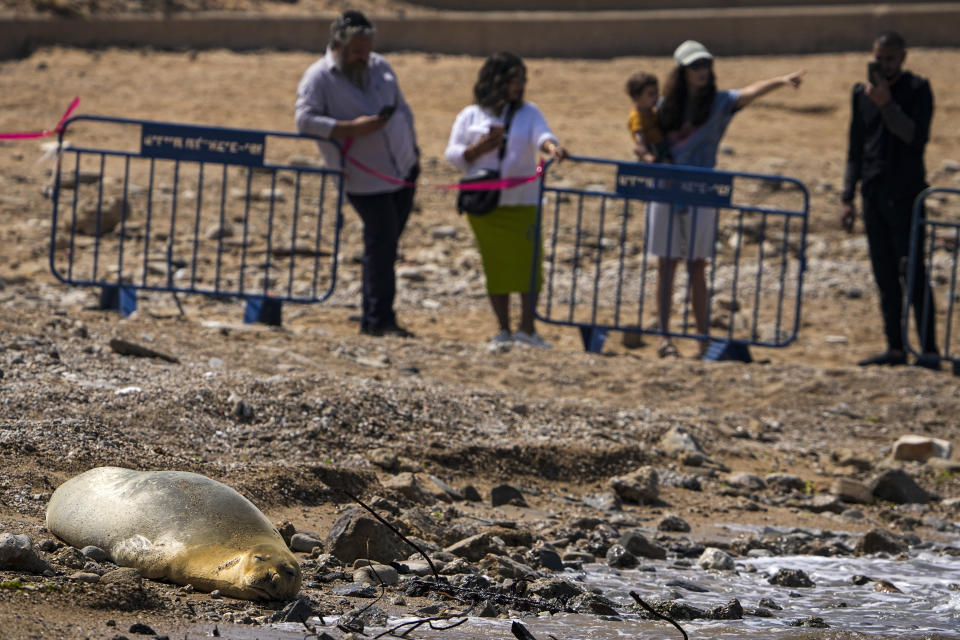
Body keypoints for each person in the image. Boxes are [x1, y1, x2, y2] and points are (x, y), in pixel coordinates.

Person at [650, 40, 805, 358]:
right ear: (682, 71)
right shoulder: (665, 106)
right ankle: (663, 337)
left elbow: (748, 92)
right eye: (695, 66)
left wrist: (778, 81)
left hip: (702, 191)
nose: (702, 71)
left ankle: (702, 338)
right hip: (667, 191)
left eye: (706, 64)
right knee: (666, 265)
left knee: (697, 266)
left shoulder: (719, 103)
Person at [294, 10, 420, 338]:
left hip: (403, 170)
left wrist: (413, 147)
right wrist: (352, 129)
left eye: (367, 48)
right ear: (338, 45)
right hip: (364, 180)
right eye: (357, 51)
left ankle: (373, 315)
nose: (364, 56)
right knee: (381, 243)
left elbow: (402, 107)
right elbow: (304, 121)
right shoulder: (318, 77)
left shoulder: (380, 66)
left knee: (386, 245)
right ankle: (379, 320)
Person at [445, 52, 567, 350]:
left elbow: (542, 136)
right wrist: (480, 148)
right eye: (513, 79)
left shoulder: (529, 112)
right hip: (486, 205)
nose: (518, 86)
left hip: (523, 202)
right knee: (496, 266)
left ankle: (527, 328)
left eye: (521, 80)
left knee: (529, 266)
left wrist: (553, 147)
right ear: (495, 80)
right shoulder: (471, 115)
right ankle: (503, 328)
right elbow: (454, 155)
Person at [841, 31, 940, 369]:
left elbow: (916, 137)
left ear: (902, 58)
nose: (883, 65)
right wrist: (847, 196)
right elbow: (855, 148)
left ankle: (929, 350)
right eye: (878, 58)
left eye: (890, 58)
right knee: (884, 275)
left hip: (907, 194)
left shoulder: (917, 90)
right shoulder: (861, 94)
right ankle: (895, 348)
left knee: (913, 273)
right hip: (873, 192)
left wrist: (888, 105)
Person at [626, 71, 667, 163]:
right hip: (653, 152)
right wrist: (646, 156)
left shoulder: (654, 111)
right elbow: (639, 141)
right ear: (637, 97)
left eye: (656, 92)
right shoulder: (637, 117)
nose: (656, 96)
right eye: (651, 94)